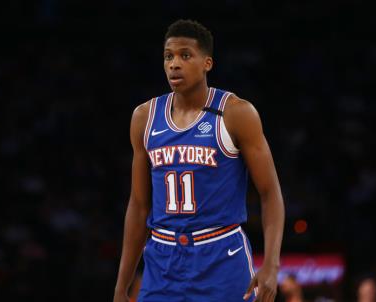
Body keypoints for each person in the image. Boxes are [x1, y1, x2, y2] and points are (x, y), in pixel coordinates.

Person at [113, 19, 285, 302]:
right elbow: (139, 204)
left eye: (185, 55)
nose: (174, 64)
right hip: (163, 259)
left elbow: (270, 193)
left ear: (207, 63)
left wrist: (272, 264)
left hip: (221, 255)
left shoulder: (236, 113)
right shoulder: (144, 117)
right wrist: (123, 283)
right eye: (168, 56)